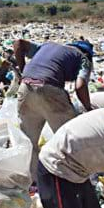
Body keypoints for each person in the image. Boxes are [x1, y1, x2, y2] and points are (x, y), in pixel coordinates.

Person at [18, 41, 94, 178]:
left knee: (28, 141)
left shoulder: (47, 46)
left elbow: (18, 43)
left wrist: (22, 72)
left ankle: (30, 179)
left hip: (25, 87)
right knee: (71, 138)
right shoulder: (84, 58)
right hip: (49, 89)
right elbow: (80, 86)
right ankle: (74, 177)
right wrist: (89, 108)